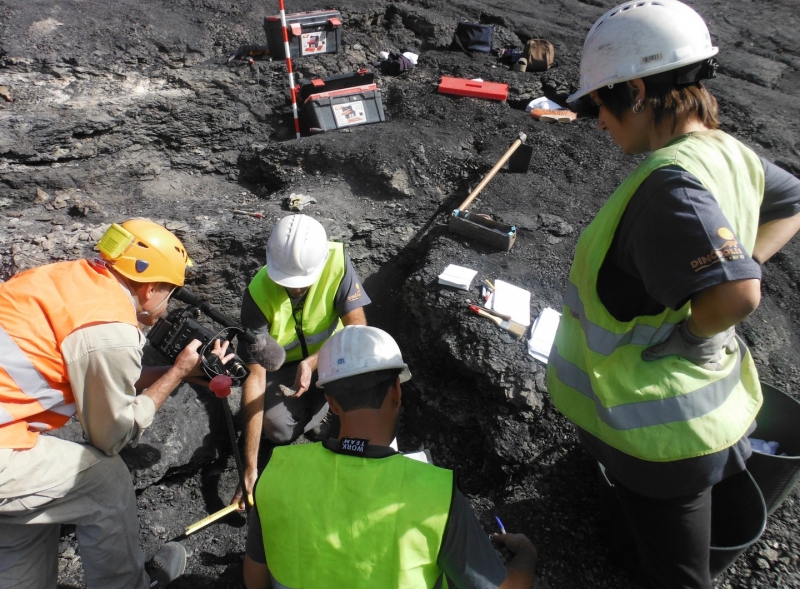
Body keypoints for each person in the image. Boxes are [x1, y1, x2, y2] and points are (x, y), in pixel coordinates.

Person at [546, 0, 800, 589]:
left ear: (635, 91)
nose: (598, 122)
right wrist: (744, 256)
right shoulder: (730, 154)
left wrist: (698, 323)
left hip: (661, 440)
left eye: (599, 105)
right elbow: (791, 201)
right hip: (713, 406)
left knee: (677, 576)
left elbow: (738, 295)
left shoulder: (669, 189)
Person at [0, 219, 232, 588]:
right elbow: (111, 437)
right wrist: (176, 375)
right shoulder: (111, 331)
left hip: (7, 432)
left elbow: (93, 374)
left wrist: (179, 370)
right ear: (152, 287)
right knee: (104, 481)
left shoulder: (63, 278)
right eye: (170, 292)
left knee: (35, 511)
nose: (168, 303)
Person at [242, 325, 538, 589]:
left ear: (330, 402)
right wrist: (526, 554)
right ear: (397, 389)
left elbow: (254, 578)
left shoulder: (278, 471)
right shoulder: (437, 496)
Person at [235, 214, 370, 506]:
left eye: (302, 283)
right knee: (279, 430)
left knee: (365, 368)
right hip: (282, 369)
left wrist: (311, 362)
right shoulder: (257, 295)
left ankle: (328, 412)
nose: (296, 289)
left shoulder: (337, 264)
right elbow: (255, 377)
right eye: (288, 282)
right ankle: (322, 412)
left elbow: (358, 333)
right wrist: (250, 468)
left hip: (335, 356)